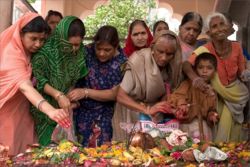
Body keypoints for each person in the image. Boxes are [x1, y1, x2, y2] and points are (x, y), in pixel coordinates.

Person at [0, 13, 70, 156]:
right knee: (7, 152)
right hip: (6, 113)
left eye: (42, 40)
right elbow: (25, 87)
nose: (38, 44)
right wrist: (51, 111)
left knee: (22, 153)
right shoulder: (11, 53)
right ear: (21, 34)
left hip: (22, 112)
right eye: (33, 38)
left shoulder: (28, 52)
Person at [183, 12, 249, 142]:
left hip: (236, 95)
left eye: (222, 24)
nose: (219, 29)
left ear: (228, 27)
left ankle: (232, 156)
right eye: (214, 26)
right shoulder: (205, 49)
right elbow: (186, 64)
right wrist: (195, 78)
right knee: (220, 125)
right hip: (216, 98)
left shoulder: (237, 47)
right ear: (208, 33)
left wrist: (246, 73)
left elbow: (242, 72)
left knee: (234, 127)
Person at [113, 30, 182, 141]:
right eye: (160, 52)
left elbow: (164, 94)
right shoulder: (138, 60)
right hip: (131, 111)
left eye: (169, 54)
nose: (164, 58)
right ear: (153, 47)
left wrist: (170, 108)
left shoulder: (172, 67)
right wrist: (147, 110)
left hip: (153, 115)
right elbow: (120, 96)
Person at [30, 16, 88, 146]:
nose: (73, 49)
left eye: (77, 45)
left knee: (64, 150)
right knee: (45, 150)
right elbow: (39, 80)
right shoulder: (44, 53)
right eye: (70, 44)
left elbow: (76, 80)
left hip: (66, 109)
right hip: (44, 108)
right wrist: (58, 95)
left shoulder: (80, 53)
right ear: (61, 37)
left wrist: (72, 99)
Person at [67, 25, 127, 147]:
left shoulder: (122, 62)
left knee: (101, 152)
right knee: (79, 150)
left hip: (104, 115)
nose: (101, 53)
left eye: (107, 50)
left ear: (116, 46)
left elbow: (114, 94)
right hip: (81, 112)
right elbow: (72, 73)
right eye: (98, 48)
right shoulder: (87, 52)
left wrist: (85, 92)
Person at [167, 53, 219, 141]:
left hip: (204, 127)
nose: (204, 71)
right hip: (187, 126)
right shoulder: (188, 83)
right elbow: (177, 95)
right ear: (195, 69)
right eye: (200, 67)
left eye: (209, 68)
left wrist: (212, 115)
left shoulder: (212, 90)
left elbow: (211, 109)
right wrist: (182, 105)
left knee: (203, 150)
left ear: (215, 71)